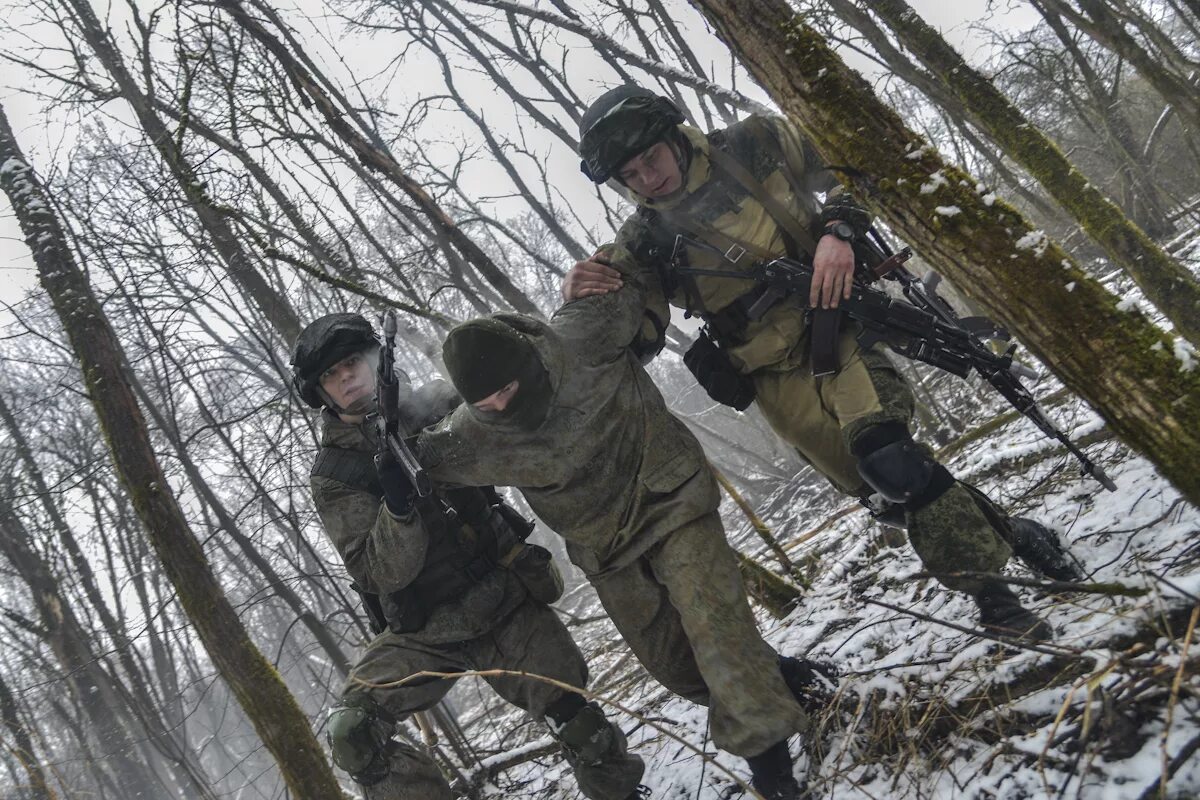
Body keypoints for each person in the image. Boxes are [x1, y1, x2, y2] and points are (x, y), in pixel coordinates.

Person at [566, 84, 1085, 643]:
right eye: (631, 174)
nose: (649, 178)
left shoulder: (754, 143)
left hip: (837, 322)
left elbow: (850, 165)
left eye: (652, 158)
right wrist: (583, 294)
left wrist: (838, 230)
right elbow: (632, 333)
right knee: (888, 493)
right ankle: (1017, 534)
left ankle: (997, 603)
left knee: (889, 456)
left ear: (674, 136)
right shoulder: (640, 243)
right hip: (770, 374)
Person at [415, 267, 834, 800]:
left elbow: (639, 272)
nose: (500, 406)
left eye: (506, 390)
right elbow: (418, 460)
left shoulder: (581, 335)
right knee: (679, 667)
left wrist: (597, 270)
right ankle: (796, 682)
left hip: (672, 501)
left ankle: (774, 774)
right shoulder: (473, 435)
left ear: (527, 363)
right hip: (606, 550)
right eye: (485, 402)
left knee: (715, 631)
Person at [290, 313, 647, 800]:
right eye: (331, 375)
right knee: (353, 732)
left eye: (351, 362)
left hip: (500, 596)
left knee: (580, 722)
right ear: (320, 393)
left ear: (374, 360)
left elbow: (523, 433)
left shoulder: (436, 404)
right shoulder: (334, 474)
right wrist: (398, 509)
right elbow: (376, 571)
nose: (345, 377)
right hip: (424, 629)